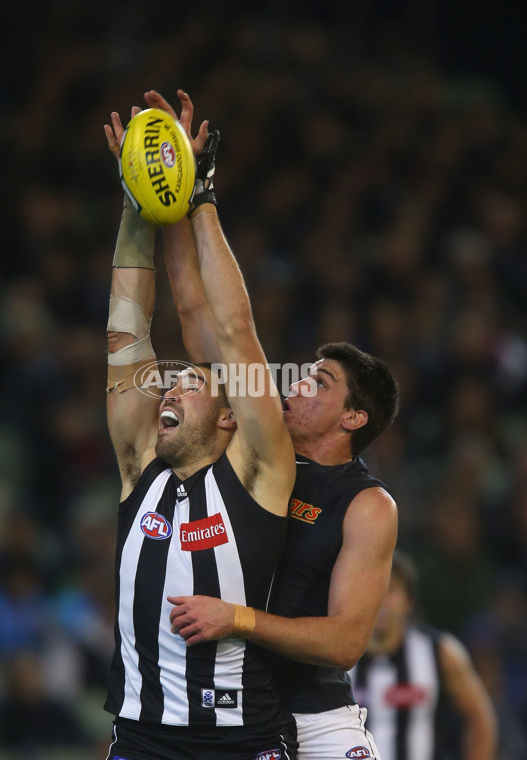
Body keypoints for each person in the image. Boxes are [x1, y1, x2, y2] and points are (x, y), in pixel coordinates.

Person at [146, 89, 400, 760]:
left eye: (318, 382)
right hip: (227, 704)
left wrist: (239, 619)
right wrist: (168, 196)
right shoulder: (262, 442)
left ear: (354, 417)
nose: (297, 384)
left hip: (316, 715)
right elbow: (199, 313)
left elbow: (346, 642)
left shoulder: (367, 505)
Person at [100, 97, 298, 760]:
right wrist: (135, 203)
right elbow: (127, 327)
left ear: (228, 416)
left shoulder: (258, 475)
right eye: (171, 379)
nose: (171, 385)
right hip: (139, 740)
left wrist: (203, 194)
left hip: (241, 743)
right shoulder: (138, 467)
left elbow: (236, 334)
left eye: (191, 382)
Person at [349, 551, 498, 760]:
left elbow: (480, 719)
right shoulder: (337, 656)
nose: (380, 599)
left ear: (409, 601)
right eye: (371, 588)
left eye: (389, 590)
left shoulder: (440, 652)